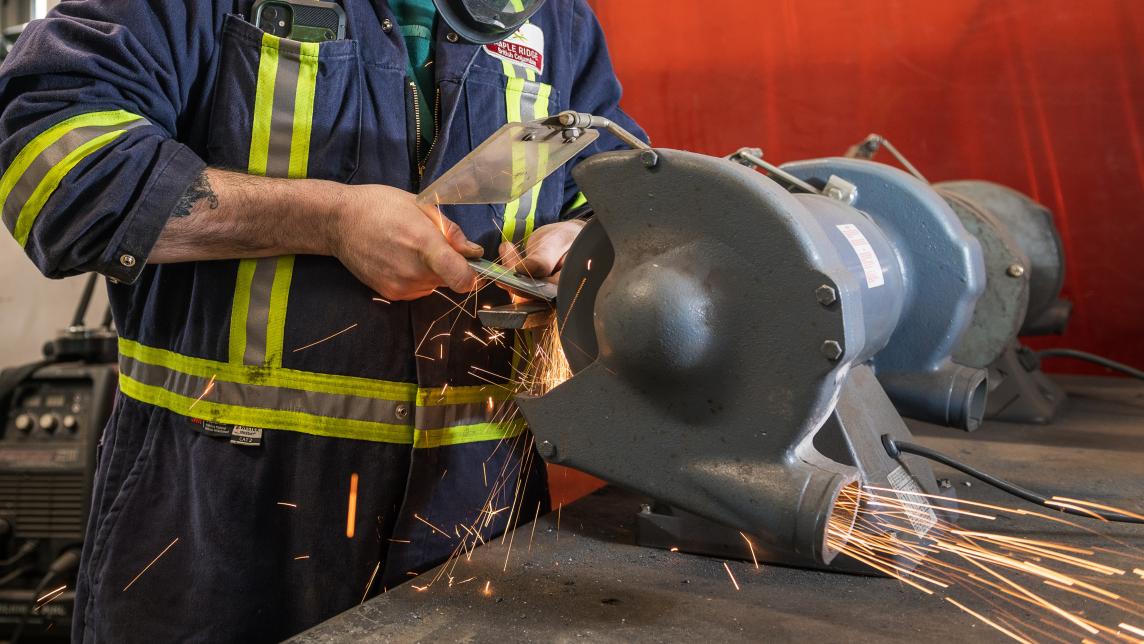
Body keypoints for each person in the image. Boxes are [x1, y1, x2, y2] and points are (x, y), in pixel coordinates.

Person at [0, 0, 644, 640]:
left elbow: (615, 198)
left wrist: (579, 241)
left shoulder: (550, 17)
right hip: (219, 533)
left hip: (474, 528)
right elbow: (49, 170)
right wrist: (326, 219)